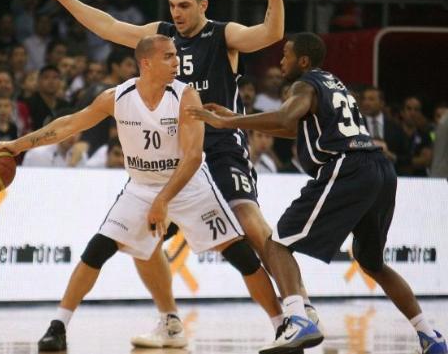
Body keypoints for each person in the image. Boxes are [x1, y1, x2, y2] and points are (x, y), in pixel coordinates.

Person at [35, 0, 312, 345]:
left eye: (184, 6)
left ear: (203, 4)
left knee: (249, 224)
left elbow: (271, 33)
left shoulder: (224, 34)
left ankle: (297, 307)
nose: (176, 14)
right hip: (169, 154)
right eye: (171, 5)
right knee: (143, 243)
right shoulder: (159, 36)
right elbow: (108, 26)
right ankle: (169, 320)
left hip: (218, 147)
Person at [0, 35, 257, 351]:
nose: (176, 62)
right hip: (143, 187)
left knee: (237, 250)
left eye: (175, 56)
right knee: (103, 248)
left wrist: (164, 199)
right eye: (168, 56)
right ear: (146, 63)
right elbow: (70, 123)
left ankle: (285, 318)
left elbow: (194, 156)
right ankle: (60, 324)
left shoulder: (184, 95)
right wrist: (16, 146)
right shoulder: (119, 96)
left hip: (189, 183)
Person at [187, 32, 448, 354]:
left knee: (276, 245)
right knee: (372, 262)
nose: (281, 60)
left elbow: (284, 117)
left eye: (286, 54)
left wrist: (225, 123)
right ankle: (430, 335)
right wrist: (237, 122)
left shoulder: (305, 84)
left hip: (347, 167)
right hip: (380, 169)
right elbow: (288, 127)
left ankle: (298, 318)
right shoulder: (331, 83)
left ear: (304, 61)